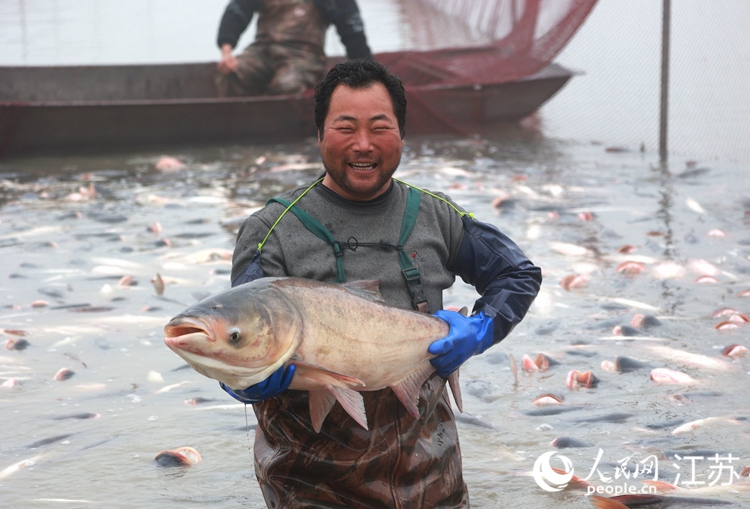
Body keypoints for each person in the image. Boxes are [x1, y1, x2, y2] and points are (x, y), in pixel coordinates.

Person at [223, 59, 542, 508]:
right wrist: (245, 381)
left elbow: (517, 273)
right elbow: (234, 333)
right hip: (310, 485)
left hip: (432, 475)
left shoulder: (435, 215)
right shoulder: (273, 229)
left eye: (380, 127)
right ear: (319, 135)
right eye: (345, 127)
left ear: (402, 135)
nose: (363, 145)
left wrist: (480, 330)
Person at [216, 0, 372, 97]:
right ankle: (242, 123)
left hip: (304, 56)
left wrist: (368, 71)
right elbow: (236, 12)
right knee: (233, 74)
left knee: (286, 85)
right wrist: (226, 52)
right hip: (261, 51)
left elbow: (352, 31)